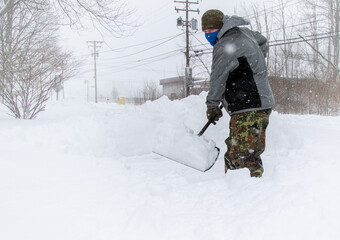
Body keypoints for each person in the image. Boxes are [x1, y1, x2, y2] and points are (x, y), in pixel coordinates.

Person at [201, 9, 275, 177]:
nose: (208, 35)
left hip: (249, 105)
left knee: (241, 158)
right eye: (204, 31)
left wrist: (212, 106)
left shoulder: (225, 44)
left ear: (221, 27)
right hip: (257, 103)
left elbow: (218, 78)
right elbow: (262, 42)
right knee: (247, 153)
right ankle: (249, 192)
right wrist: (249, 65)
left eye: (211, 30)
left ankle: (247, 196)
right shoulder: (244, 33)